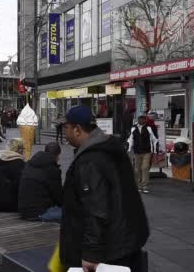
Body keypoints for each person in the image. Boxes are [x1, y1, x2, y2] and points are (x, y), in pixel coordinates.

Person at [61, 106, 149, 272]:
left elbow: (96, 208)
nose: (64, 133)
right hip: (125, 240)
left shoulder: (90, 159)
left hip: (109, 249)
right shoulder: (110, 147)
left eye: (66, 128)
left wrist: (90, 253)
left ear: (78, 129)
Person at [18, 142, 63, 222]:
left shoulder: (29, 164)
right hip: (39, 212)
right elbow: (58, 196)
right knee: (73, 214)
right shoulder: (53, 169)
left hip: (23, 210)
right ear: (57, 156)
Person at [0, 138, 26, 212]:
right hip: (7, 205)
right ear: (20, 150)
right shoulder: (19, 164)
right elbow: (21, 186)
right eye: (24, 148)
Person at [127, 115, 159, 194]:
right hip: (137, 152)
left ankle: (145, 185)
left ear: (145, 120)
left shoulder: (149, 128)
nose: (141, 120)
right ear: (138, 120)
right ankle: (138, 185)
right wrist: (128, 149)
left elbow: (155, 140)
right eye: (140, 119)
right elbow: (130, 139)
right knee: (137, 169)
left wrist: (154, 152)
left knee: (144, 168)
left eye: (143, 119)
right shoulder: (133, 128)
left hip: (147, 152)